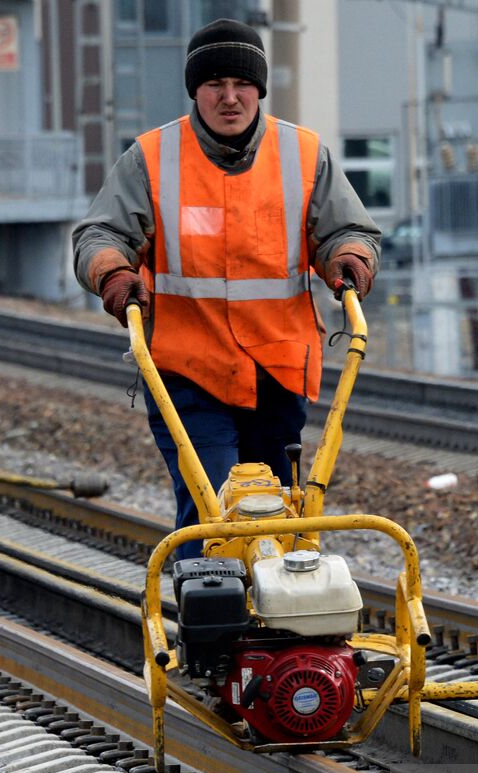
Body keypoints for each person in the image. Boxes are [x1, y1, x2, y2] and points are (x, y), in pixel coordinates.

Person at [72, 18, 381, 559]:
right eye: (215, 84)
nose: (230, 98)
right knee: (214, 508)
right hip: (188, 372)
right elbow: (101, 233)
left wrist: (349, 260)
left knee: (278, 510)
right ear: (196, 90)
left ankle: (276, 625)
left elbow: (347, 230)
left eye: (242, 85)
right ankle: (208, 633)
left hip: (278, 370)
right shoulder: (151, 157)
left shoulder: (305, 155)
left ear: (260, 89)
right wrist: (115, 275)